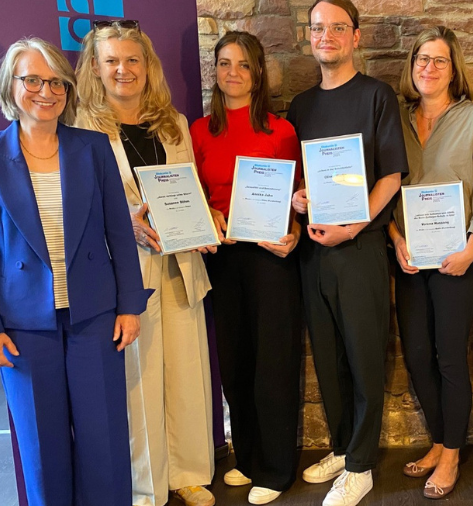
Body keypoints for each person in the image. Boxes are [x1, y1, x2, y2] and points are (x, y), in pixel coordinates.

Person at [0, 37, 150, 506]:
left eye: (56, 83)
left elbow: (118, 232)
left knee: (105, 443)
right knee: (42, 450)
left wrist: (130, 305)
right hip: (22, 327)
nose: (45, 92)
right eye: (32, 80)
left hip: (94, 317)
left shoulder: (92, 147)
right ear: (11, 86)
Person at [75, 21, 216, 506]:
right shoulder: (82, 127)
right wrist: (124, 224)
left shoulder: (173, 122)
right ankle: (146, 488)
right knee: (140, 378)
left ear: (147, 65)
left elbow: (189, 188)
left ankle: (189, 474)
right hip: (126, 267)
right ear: (95, 68)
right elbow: (76, 205)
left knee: (187, 371)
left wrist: (205, 221)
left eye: (132, 59)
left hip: (180, 262)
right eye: (112, 60)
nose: (123, 69)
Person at [288, 1, 408, 504]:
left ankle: (362, 466)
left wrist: (353, 228)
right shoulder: (300, 106)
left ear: (355, 36)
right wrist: (297, 200)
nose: (327, 36)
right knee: (328, 356)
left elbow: (391, 176)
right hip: (313, 252)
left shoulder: (377, 96)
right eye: (319, 28)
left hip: (359, 249)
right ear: (308, 36)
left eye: (338, 28)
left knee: (363, 357)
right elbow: (297, 179)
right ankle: (341, 448)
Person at [388, 26, 473, 500]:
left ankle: (452, 454)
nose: (429, 68)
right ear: (411, 66)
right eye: (422, 59)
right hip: (410, 257)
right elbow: (382, 185)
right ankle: (438, 441)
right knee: (417, 354)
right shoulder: (395, 119)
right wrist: (395, 239)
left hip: (459, 257)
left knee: (450, 356)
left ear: (453, 70)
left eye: (439, 60)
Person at [191, 31, 304, 506]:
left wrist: (294, 233)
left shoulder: (282, 131)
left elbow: (298, 198)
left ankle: (276, 469)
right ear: (215, 71)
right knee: (235, 362)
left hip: (271, 260)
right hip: (223, 258)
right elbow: (195, 196)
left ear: (258, 73)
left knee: (272, 363)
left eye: (242, 64)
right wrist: (208, 215)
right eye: (224, 63)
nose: (232, 72)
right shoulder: (199, 131)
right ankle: (249, 458)